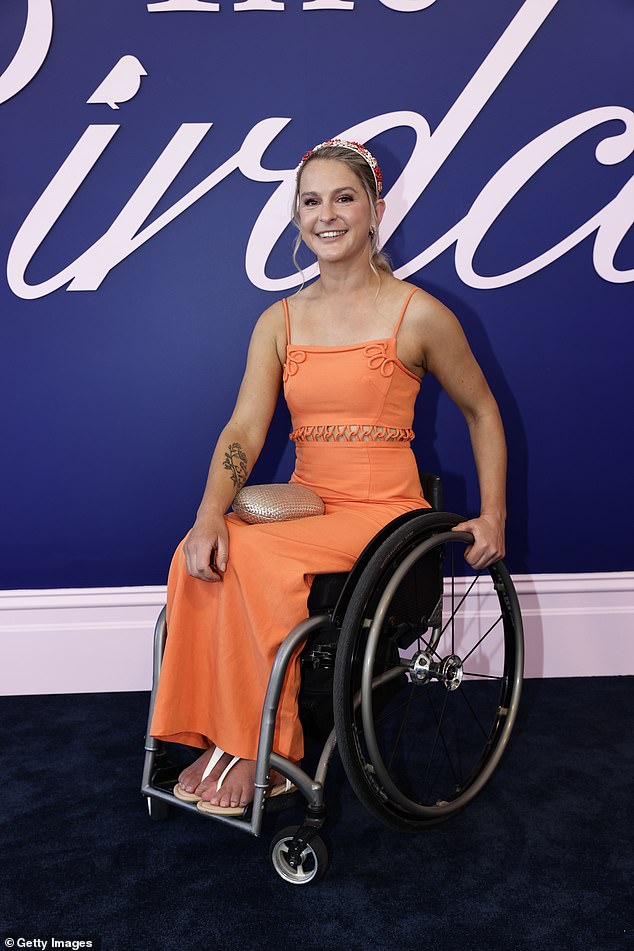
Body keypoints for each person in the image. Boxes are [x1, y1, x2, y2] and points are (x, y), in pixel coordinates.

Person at [150, 139, 507, 816]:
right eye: (311, 201)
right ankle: (218, 733)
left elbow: (481, 409)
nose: (327, 214)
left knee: (253, 556)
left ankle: (267, 748)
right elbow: (244, 431)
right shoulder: (279, 320)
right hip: (312, 502)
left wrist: (494, 515)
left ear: (374, 209)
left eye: (344, 197)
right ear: (297, 216)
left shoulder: (418, 313)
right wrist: (207, 511)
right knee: (202, 548)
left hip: (383, 510)